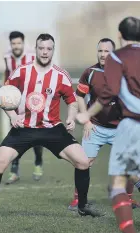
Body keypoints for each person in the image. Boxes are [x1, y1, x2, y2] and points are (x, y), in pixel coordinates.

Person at [0, 33, 104, 221]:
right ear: (35, 49)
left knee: (83, 161)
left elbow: (72, 101)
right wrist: (12, 116)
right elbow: (3, 95)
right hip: (24, 128)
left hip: (52, 129)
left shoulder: (61, 75)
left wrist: (70, 118)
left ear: (53, 50)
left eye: (48, 49)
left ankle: (82, 206)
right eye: (41, 48)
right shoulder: (21, 71)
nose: (44, 52)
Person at [76, 16, 140, 233]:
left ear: (120, 36)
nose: (104, 55)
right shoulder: (94, 70)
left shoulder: (118, 59)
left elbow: (108, 94)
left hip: (128, 125)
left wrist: (86, 115)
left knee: (118, 183)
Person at [3, 31, 44, 184]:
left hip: (33, 100)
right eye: (13, 43)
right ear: (10, 44)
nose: (16, 46)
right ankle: (14, 171)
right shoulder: (7, 57)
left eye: (19, 43)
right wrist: (5, 93)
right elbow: (7, 74)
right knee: (16, 135)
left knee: (36, 137)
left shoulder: (33, 56)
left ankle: (38, 162)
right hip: (15, 101)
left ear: (23, 43)